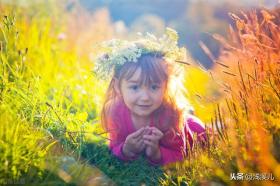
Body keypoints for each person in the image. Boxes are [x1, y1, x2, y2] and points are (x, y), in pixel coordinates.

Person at [94, 28, 207, 165]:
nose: (145, 97)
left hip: (192, 130)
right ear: (118, 87)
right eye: (135, 87)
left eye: (154, 87)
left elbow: (181, 155)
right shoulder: (115, 111)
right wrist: (126, 150)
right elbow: (114, 147)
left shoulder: (171, 116)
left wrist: (157, 153)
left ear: (165, 86)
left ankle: (208, 124)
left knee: (204, 133)